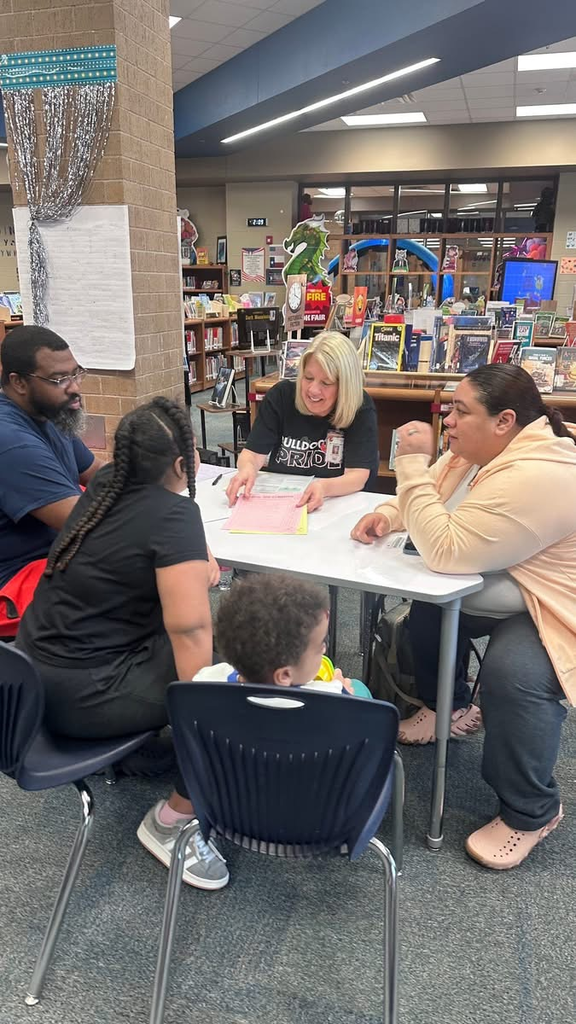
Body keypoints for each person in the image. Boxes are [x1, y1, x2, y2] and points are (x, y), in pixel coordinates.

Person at [351, 364, 576, 870]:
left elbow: (446, 549)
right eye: (448, 408)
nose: (447, 420)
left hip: (554, 605)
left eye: (461, 411)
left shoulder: (540, 473)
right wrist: (389, 514)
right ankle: (446, 707)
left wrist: (408, 464)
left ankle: (532, 810)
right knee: (429, 613)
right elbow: (431, 496)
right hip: (508, 586)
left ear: (505, 421)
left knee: (514, 675)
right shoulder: (476, 453)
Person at [18, 397, 227, 891]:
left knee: (175, 643)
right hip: (82, 699)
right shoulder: (174, 515)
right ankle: (173, 820)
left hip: (28, 681)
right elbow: (191, 631)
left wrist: (191, 565)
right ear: (181, 464)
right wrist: (209, 713)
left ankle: (134, 754)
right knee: (231, 675)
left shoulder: (106, 486)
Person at [0, 325, 103, 625]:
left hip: (55, 552)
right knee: (140, 571)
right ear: (18, 382)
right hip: (17, 578)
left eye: (75, 373)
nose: (74, 387)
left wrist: (153, 470)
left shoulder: (50, 412)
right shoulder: (10, 440)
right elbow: (84, 521)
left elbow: (96, 473)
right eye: (59, 379)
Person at [226, 331, 379, 512]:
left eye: (326, 383)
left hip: (333, 505)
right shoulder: (281, 396)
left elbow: (358, 475)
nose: (313, 390)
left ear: (344, 386)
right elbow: (252, 454)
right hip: (281, 503)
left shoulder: (359, 406)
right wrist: (247, 469)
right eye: (308, 378)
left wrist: (324, 487)